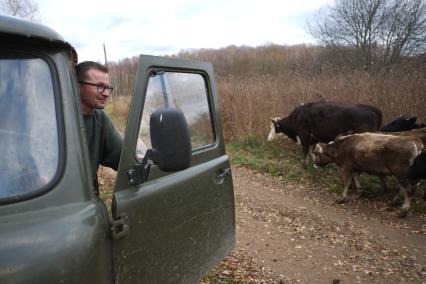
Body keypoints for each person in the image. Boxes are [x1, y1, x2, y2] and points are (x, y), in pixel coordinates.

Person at [75, 61, 123, 195]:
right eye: (100, 87)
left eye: (108, 88)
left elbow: (122, 157)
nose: (106, 93)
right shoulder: (58, 120)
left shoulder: (100, 119)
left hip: (89, 200)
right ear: (78, 86)